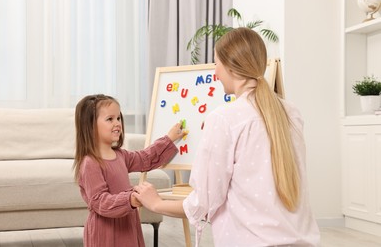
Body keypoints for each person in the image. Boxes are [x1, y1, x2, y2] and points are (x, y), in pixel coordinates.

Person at [133, 28, 321, 246]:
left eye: (216, 64)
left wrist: (156, 203)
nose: (215, 73)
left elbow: (204, 201)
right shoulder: (291, 112)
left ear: (230, 67)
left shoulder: (224, 119)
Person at [73, 94, 187, 247]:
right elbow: (100, 201)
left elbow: (145, 158)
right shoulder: (90, 163)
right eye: (110, 119)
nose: (117, 123)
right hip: (106, 231)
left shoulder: (121, 155)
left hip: (127, 223)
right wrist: (130, 199)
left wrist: (169, 139)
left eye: (118, 118)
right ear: (91, 125)